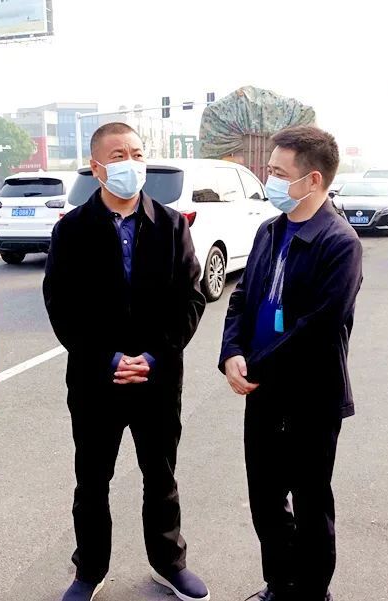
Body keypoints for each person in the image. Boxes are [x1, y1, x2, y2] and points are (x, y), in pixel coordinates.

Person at [43, 122, 209, 601]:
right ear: (96, 168)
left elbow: (191, 298)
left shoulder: (171, 225)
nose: (131, 163)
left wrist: (154, 356)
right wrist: (109, 358)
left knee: (161, 476)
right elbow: (61, 305)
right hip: (95, 381)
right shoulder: (73, 229)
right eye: (118, 156)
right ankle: (89, 569)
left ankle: (169, 563)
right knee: (92, 481)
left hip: (159, 379)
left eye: (137, 153)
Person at [219, 125, 363, 601]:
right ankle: (280, 585)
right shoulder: (270, 230)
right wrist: (231, 353)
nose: (270, 179)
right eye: (270, 169)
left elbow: (319, 328)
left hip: (310, 397)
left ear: (313, 179)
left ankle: (313, 593)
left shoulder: (339, 243)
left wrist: (255, 367)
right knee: (264, 498)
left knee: (310, 501)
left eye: (279, 172)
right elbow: (241, 299)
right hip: (261, 393)